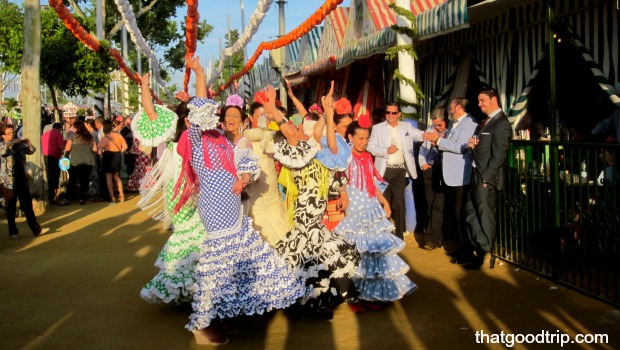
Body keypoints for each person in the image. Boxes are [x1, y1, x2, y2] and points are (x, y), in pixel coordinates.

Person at [181, 58, 305, 345]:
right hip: (216, 208)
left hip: (234, 207)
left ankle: (224, 316)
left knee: (237, 262)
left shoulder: (224, 140)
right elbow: (200, 102)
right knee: (219, 264)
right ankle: (202, 324)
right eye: (210, 111)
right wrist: (200, 72)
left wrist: (245, 177)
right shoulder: (197, 138)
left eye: (218, 112)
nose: (214, 115)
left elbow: (245, 162)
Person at [273, 82, 360, 319]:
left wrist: (327, 110)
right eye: (300, 129)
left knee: (320, 255)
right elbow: (292, 131)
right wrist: (272, 108)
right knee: (312, 256)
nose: (302, 130)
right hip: (304, 216)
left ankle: (322, 299)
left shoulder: (315, 152)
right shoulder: (297, 152)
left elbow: (324, 136)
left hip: (315, 216)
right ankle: (313, 302)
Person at [334, 117, 418, 312]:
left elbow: (372, 182)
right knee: (357, 253)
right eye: (360, 138)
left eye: (366, 138)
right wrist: (343, 194)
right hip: (354, 207)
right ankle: (355, 297)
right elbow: (337, 179)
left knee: (373, 252)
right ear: (350, 137)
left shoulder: (367, 157)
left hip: (371, 205)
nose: (364, 142)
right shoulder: (344, 156)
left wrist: (384, 201)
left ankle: (370, 294)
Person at [425, 98, 479, 261]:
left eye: (451, 107)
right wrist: (438, 143)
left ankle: (467, 250)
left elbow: (461, 147)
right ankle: (462, 247)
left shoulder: (469, 122)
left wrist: (439, 140)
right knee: (456, 212)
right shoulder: (457, 123)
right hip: (451, 174)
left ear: (460, 107)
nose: (449, 110)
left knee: (461, 213)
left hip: (461, 174)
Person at [464, 88, 512, 271]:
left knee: (485, 216)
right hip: (478, 174)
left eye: (482, 100)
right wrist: (473, 146)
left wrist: (487, 177)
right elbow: (486, 149)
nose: (479, 104)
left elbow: (499, 155)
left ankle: (488, 254)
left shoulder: (501, 123)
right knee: (471, 213)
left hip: (485, 177)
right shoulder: (488, 122)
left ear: (494, 100)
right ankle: (484, 250)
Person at [367, 102, 424, 239]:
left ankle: (399, 235)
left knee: (399, 203)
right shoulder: (377, 128)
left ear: (399, 114)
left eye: (393, 112)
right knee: (383, 202)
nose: (390, 115)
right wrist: (385, 151)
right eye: (388, 112)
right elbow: (370, 147)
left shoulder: (406, 127)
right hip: (383, 171)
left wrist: (435, 136)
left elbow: (420, 135)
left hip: (399, 170)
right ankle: (385, 233)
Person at [0, 124, 49, 239]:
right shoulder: (3, 145)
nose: (12, 135)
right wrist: (13, 143)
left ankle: (36, 229)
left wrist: (28, 143)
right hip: (8, 181)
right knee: (11, 207)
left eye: (13, 132)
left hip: (21, 178)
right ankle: (13, 231)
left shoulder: (19, 146)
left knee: (27, 205)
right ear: (3, 135)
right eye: (9, 133)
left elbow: (32, 151)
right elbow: (3, 150)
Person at [418, 108, 448, 250]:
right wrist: (423, 163)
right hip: (429, 169)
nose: (436, 128)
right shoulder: (431, 130)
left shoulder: (451, 132)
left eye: (439, 125)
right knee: (431, 204)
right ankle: (436, 238)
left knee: (438, 205)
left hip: (443, 170)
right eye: (434, 124)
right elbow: (423, 149)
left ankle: (431, 239)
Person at [65, 121, 98, 205]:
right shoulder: (89, 137)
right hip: (88, 161)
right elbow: (95, 149)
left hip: (75, 162)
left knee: (73, 180)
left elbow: (67, 148)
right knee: (85, 180)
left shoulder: (72, 137)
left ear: (76, 128)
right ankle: (82, 198)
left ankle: (69, 197)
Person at [98, 120, 127, 204]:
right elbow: (125, 146)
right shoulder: (119, 136)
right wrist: (120, 151)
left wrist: (101, 153)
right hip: (117, 155)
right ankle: (121, 195)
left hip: (107, 156)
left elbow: (99, 152)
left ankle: (112, 197)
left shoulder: (104, 138)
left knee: (108, 177)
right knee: (117, 176)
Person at [41, 122, 67, 206]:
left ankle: (49, 196)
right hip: (54, 157)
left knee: (48, 177)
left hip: (44, 157)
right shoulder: (58, 135)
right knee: (54, 177)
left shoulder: (44, 135)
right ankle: (53, 196)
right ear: (60, 128)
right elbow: (62, 146)